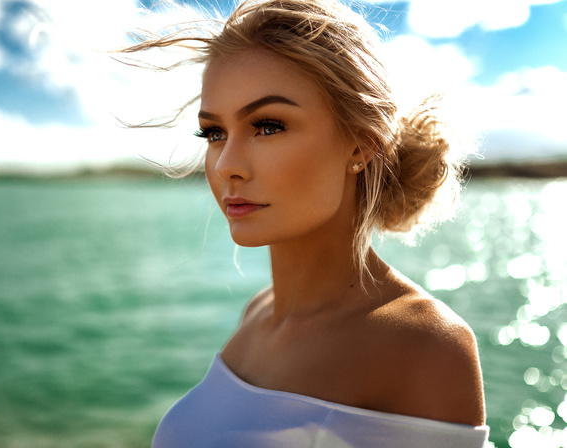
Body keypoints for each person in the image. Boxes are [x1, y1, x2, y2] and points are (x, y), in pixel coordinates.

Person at [122, 0, 489, 446]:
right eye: (214, 133)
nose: (226, 166)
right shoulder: (257, 313)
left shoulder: (427, 344)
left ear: (360, 144)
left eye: (268, 126)